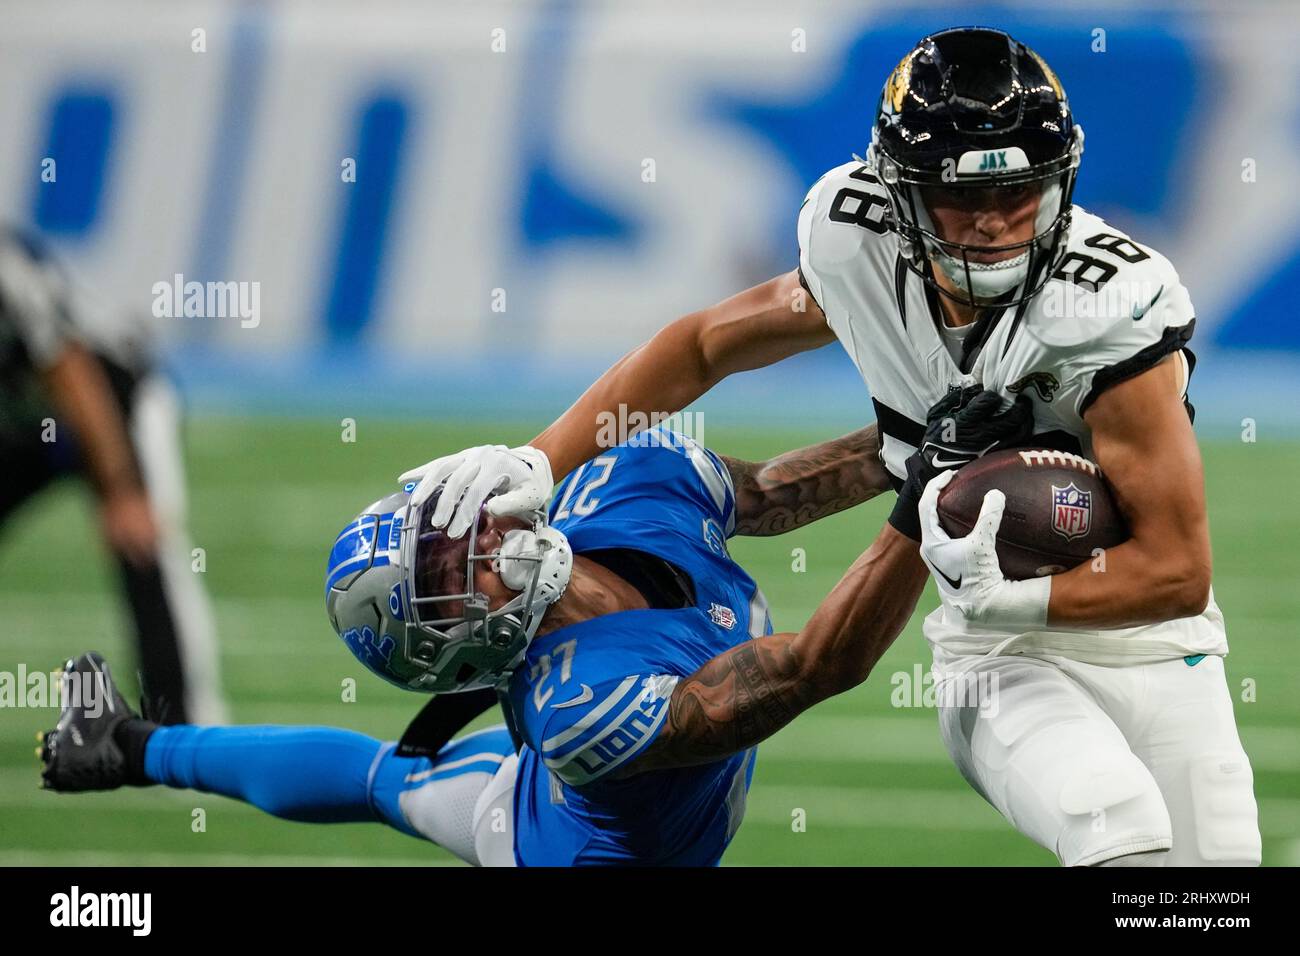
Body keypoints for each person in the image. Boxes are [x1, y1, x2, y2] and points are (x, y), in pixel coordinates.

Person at [397, 28, 1260, 865]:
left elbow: (1179, 575)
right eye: (964, 197)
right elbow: (704, 346)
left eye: (1018, 194)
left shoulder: (1107, 305)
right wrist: (542, 458)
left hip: (1149, 634)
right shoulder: (858, 239)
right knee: (1119, 834)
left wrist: (1010, 592)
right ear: (901, 194)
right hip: (998, 655)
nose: (995, 222)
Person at [0, 226, 225, 724]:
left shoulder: (7, 267)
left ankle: (182, 723)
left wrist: (122, 488)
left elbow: (71, 369)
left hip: (116, 401)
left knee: (143, 546)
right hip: (29, 422)